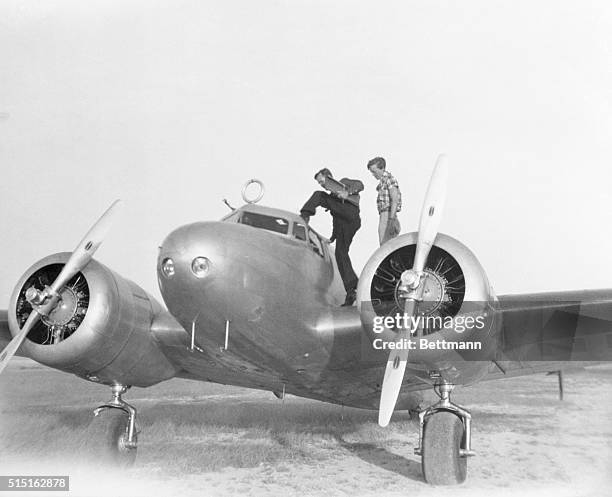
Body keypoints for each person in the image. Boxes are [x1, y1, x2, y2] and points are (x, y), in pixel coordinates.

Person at [300, 168, 363, 306]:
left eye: (322, 181)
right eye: (320, 183)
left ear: (328, 177)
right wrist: (333, 237)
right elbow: (336, 219)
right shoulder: (334, 198)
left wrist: (348, 192)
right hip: (345, 225)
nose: (322, 185)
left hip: (351, 216)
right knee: (341, 254)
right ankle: (352, 289)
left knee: (319, 195)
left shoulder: (344, 183)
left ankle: (305, 215)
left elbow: (360, 184)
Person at [367, 157, 402, 245]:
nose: (373, 174)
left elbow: (395, 199)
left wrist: (391, 220)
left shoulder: (389, 179)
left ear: (382, 168)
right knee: (384, 246)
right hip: (384, 215)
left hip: (388, 215)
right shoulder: (382, 182)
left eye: (374, 171)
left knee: (386, 247)